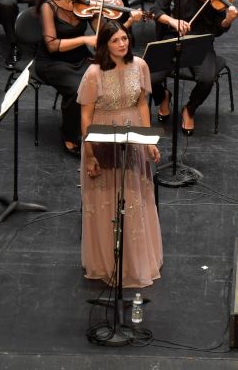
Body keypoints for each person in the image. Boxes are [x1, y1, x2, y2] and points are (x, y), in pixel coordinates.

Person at [78, 20, 162, 287]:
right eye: (115, 40)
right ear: (105, 44)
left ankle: (136, 262)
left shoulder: (141, 66)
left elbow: (142, 104)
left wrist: (149, 141)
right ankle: (107, 263)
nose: (122, 44)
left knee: (134, 196)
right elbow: (85, 115)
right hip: (103, 138)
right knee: (106, 200)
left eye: (124, 38)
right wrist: (90, 154)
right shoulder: (93, 73)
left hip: (133, 135)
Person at [35, 0, 146, 156]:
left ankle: (101, 128)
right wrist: (85, 39)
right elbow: (52, 45)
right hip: (52, 62)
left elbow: (105, 36)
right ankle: (70, 135)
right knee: (78, 88)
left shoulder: (86, 5)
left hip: (79, 58)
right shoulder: (49, 7)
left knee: (108, 78)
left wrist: (128, 22)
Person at [150, 0, 238, 135]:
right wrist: (173, 22)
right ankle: (163, 96)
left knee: (207, 78)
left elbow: (217, 30)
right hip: (175, 35)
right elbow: (156, 9)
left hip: (201, 39)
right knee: (150, 75)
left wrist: (228, 20)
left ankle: (189, 109)